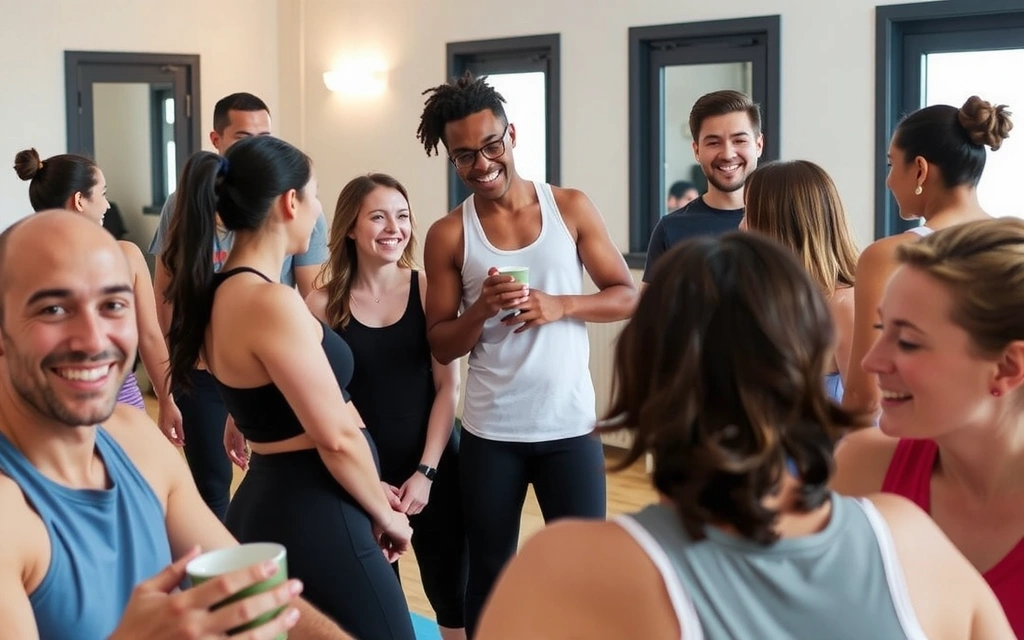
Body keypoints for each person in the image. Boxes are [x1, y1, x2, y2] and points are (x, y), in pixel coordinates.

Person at [475, 231, 1013, 640]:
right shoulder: (911, 536)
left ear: (645, 371)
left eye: (908, 340)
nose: (874, 360)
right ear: (808, 366)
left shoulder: (564, 568)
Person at [0, 210, 350, 639]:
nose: (93, 339)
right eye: (53, 308)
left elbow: (258, 598)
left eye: (112, 305)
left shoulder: (135, 439)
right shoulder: (9, 515)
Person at [163, 135, 416, 639]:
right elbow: (335, 437)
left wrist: (369, 491)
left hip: (280, 498)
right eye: (316, 194)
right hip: (316, 508)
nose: (319, 209)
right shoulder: (268, 301)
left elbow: (273, 400)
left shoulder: (221, 293)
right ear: (290, 202)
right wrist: (386, 515)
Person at [416, 71, 637, 635]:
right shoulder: (448, 235)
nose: (482, 164)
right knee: (489, 571)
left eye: (491, 146)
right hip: (494, 434)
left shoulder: (570, 207)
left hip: (571, 427)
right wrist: (479, 311)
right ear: (451, 159)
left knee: (585, 567)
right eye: (464, 156)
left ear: (511, 135)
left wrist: (559, 306)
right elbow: (440, 341)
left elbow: (626, 295)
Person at [833, 218, 1024, 635]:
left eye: (908, 342)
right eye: (882, 329)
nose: (870, 362)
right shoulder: (861, 469)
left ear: (1007, 368)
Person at [150, 92, 329, 520]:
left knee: (276, 480)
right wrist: (172, 379)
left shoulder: (297, 204)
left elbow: (314, 295)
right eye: (243, 136)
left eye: (264, 136)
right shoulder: (183, 205)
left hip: (270, 365)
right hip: (201, 371)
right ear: (217, 138)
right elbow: (165, 297)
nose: (255, 145)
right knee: (210, 487)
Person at [306, 173, 468, 640]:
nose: (393, 227)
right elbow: (323, 401)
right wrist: (367, 481)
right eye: (377, 216)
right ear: (351, 228)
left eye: (401, 216)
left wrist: (426, 472)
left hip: (434, 472)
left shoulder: (427, 289)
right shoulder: (320, 304)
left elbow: (446, 388)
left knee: (453, 601)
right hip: (359, 478)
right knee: (381, 612)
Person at [842, 96, 1012, 416]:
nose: (889, 179)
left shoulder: (892, 257)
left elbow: (864, 397)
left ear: (919, 170)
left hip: (925, 445)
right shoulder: (1015, 245)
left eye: (892, 164)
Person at [13, 148, 183, 444]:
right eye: (102, 193)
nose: (106, 204)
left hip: (46, 410)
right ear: (80, 200)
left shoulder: (18, 261)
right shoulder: (125, 255)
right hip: (117, 405)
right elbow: (150, 337)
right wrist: (167, 400)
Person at [739, 160, 859, 403]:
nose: (741, 226)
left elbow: (869, 420)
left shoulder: (844, 306)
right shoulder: (766, 299)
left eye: (748, 214)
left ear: (779, 227)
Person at [643, 90, 764, 282]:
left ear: (759, 145)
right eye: (714, 142)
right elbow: (652, 310)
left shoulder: (783, 221)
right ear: (697, 150)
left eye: (739, 140)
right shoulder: (671, 228)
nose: (727, 153)